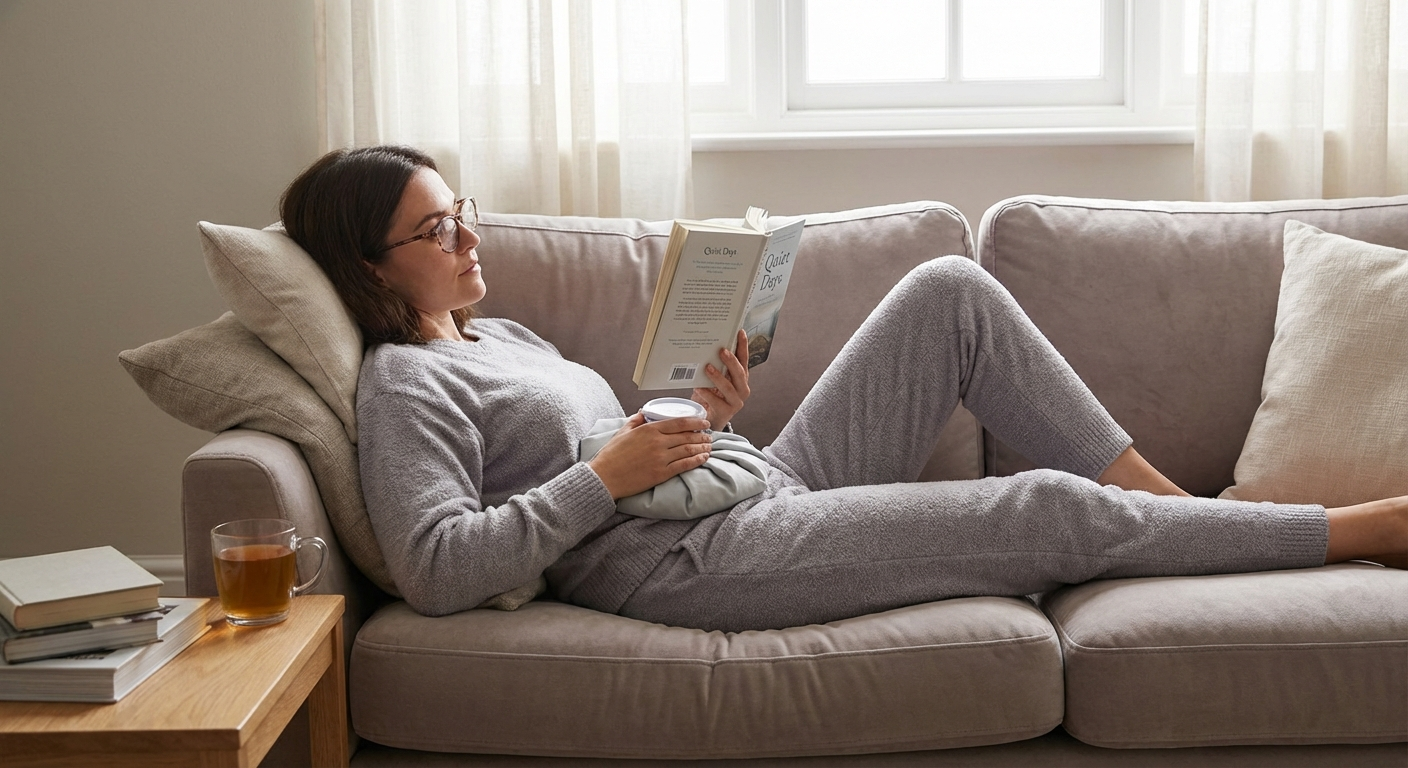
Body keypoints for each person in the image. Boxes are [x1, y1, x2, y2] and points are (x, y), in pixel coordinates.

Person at [280, 145, 1407, 632]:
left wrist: (705, 412)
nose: (467, 235)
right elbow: (432, 569)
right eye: (434, 230)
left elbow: (620, 454)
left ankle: (1165, 508)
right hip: (681, 565)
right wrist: (601, 478)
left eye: (461, 208)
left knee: (948, 291)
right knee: (1039, 511)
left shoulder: (501, 336)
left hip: (749, 484)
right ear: (368, 265)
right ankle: (1361, 531)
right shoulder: (404, 386)